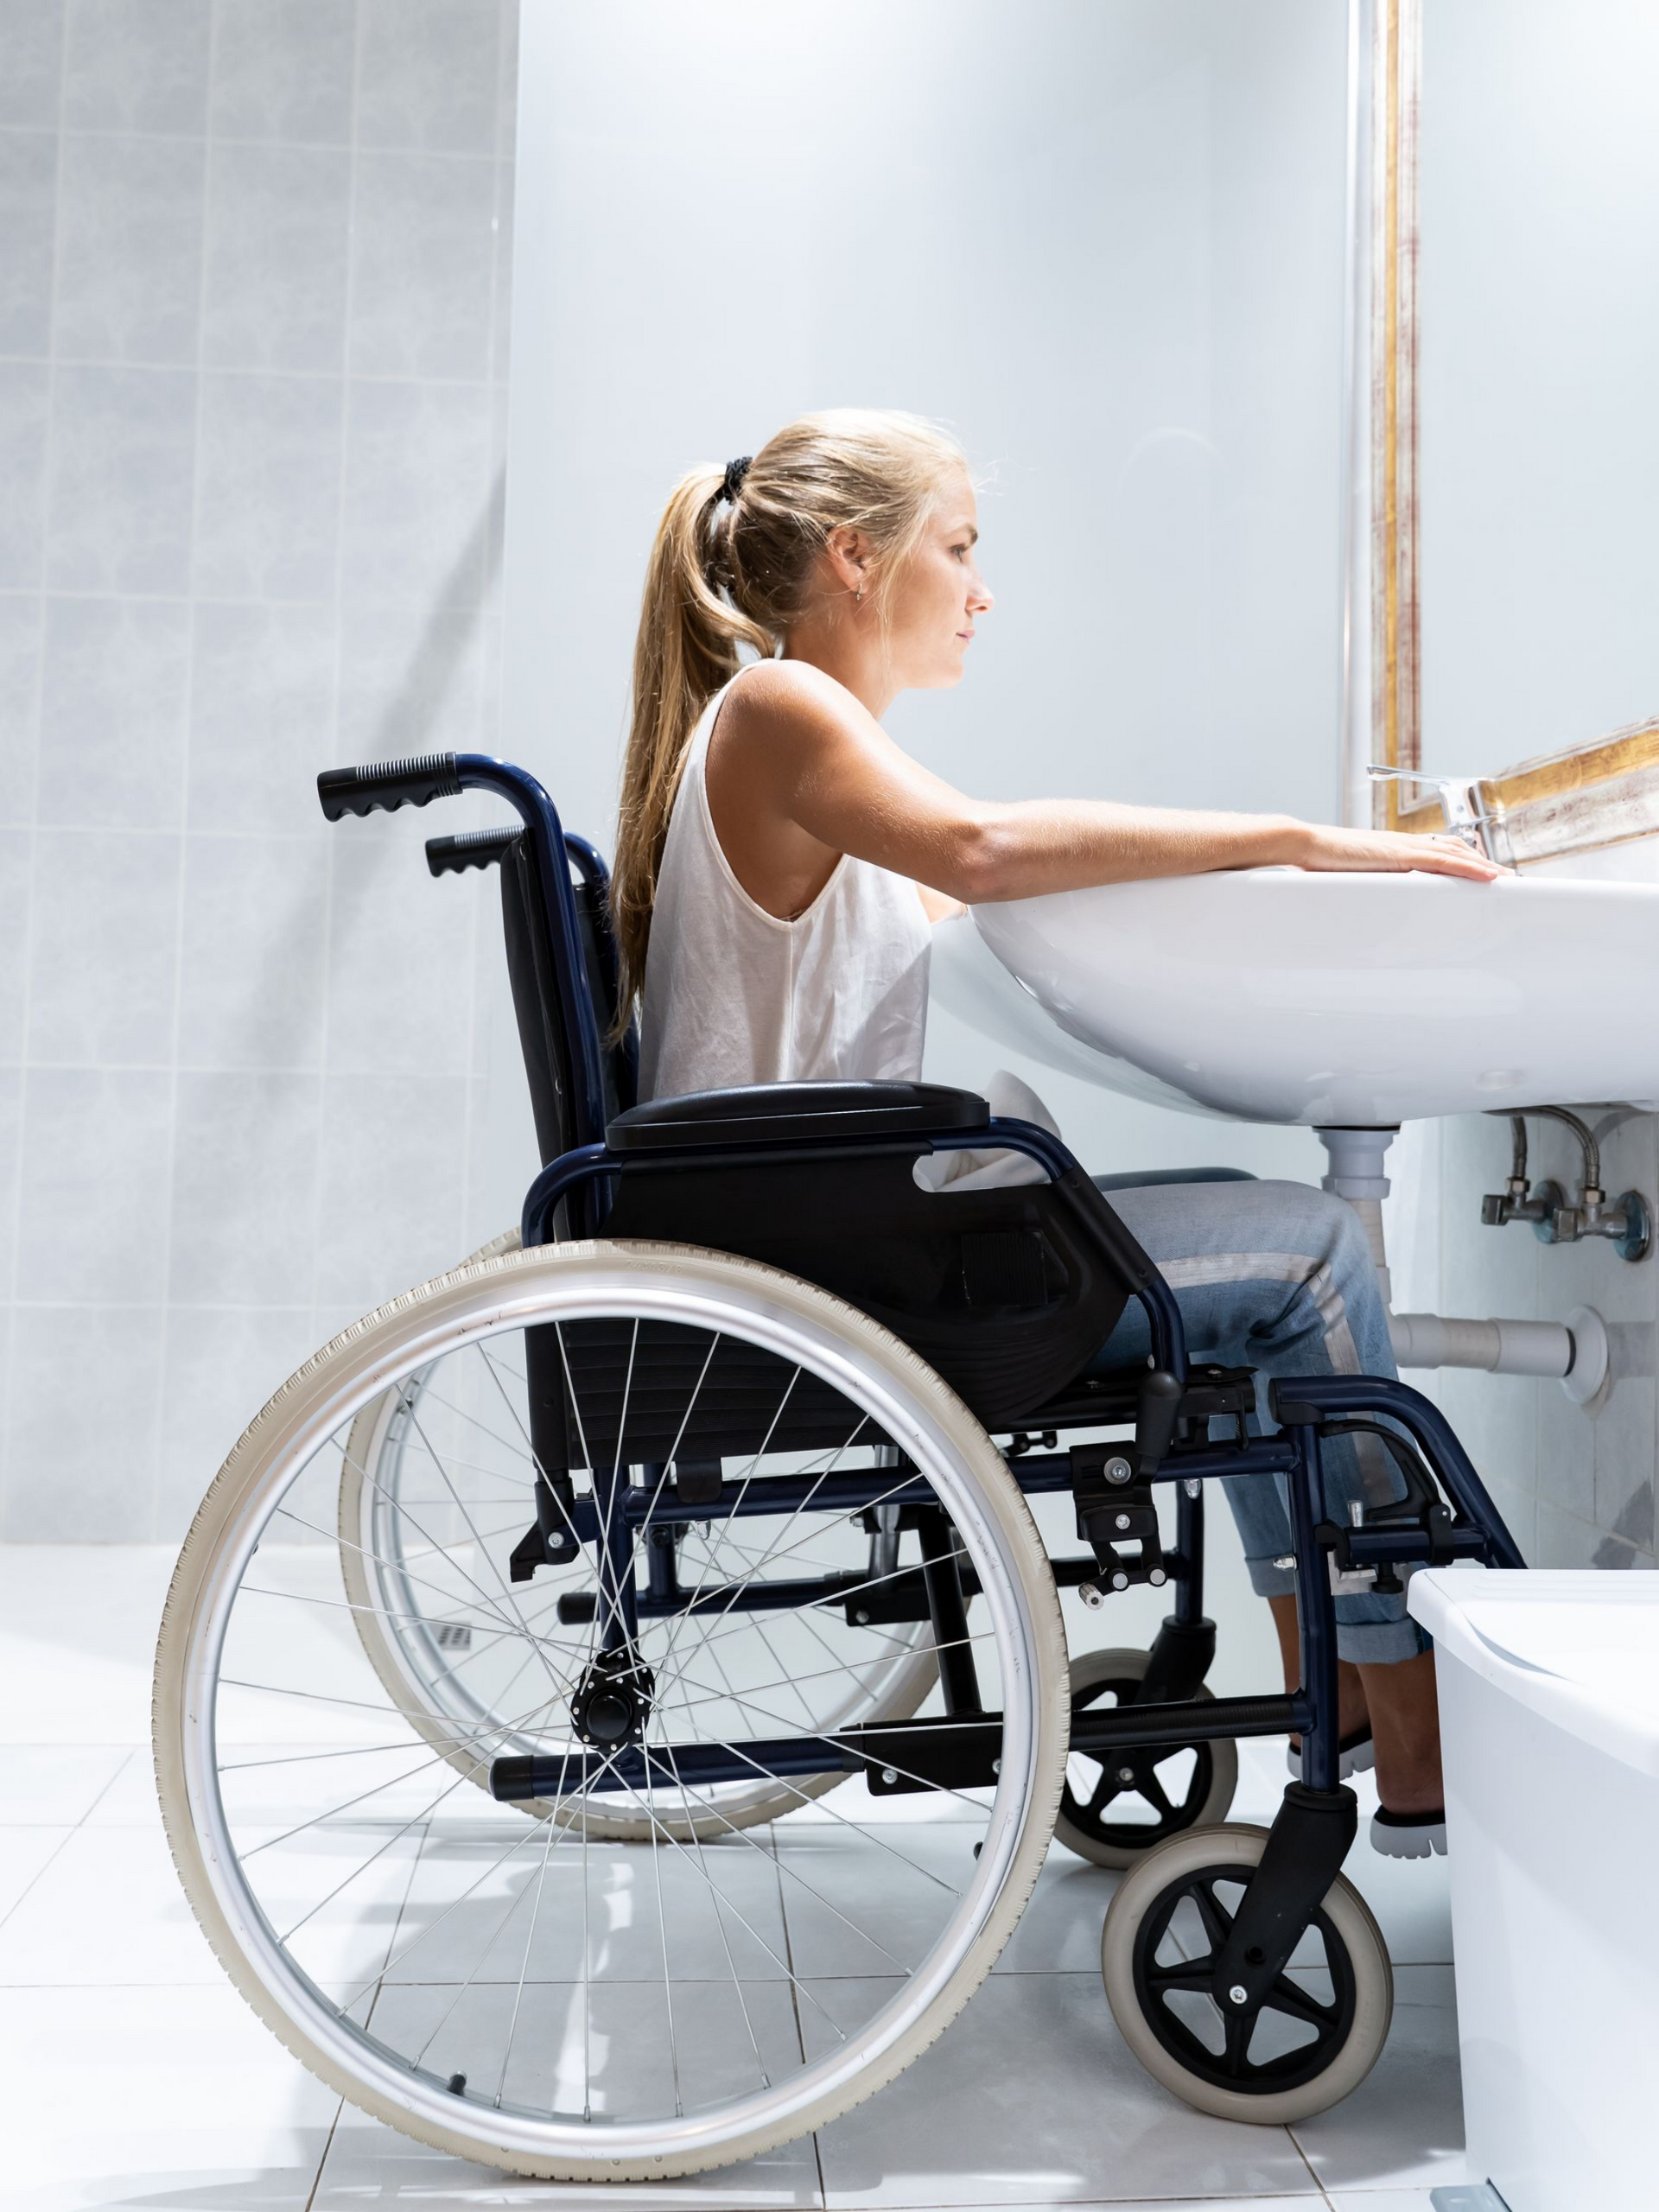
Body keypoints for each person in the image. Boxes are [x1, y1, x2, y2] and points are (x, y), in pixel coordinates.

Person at [611, 408, 1506, 1858]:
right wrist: (1295, 836)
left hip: (821, 1244)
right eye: (958, 548)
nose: (980, 588)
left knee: (1250, 1222)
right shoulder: (784, 711)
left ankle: (1339, 1687)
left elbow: (964, 877)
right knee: (1314, 1263)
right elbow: (979, 850)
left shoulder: (793, 734)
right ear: (855, 556)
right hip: (828, 1281)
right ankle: (1390, 1716)